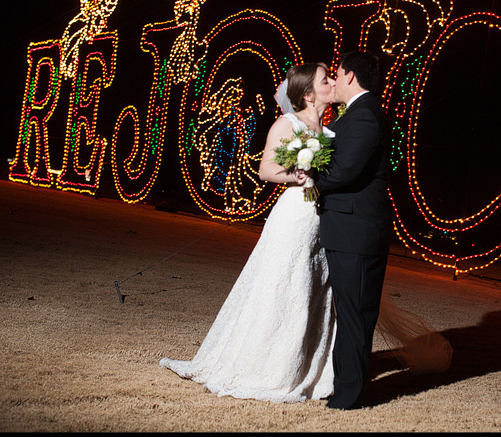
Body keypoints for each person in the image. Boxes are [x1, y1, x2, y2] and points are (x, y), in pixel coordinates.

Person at [159, 62, 338, 403]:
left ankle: (307, 366)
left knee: (313, 289)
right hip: (294, 216)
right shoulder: (287, 124)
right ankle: (264, 365)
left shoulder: (330, 134)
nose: (332, 83)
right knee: (281, 284)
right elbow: (266, 169)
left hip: (322, 220)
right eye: (325, 79)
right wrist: (298, 175)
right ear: (309, 94)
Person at [314, 50, 393, 410]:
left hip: (356, 231)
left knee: (355, 315)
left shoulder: (364, 115)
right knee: (348, 313)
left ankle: (349, 395)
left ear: (349, 76)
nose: (334, 79)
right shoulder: (356, 113)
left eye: (337, 72)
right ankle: (342, 387)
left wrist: (305, 178)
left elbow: (344, 170)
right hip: (347, 228)